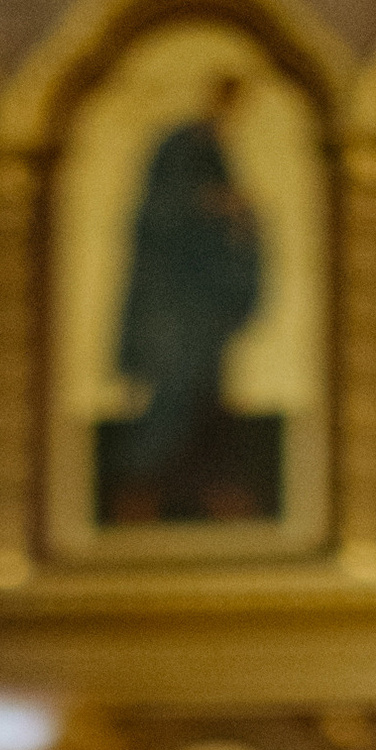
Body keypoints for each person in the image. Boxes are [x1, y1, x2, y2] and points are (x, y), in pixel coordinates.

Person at [110, 71, 264, 521]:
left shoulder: (215, 150)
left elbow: (231, 221)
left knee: (209, 399)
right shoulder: (180, 147)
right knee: (171, 397)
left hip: (207, 301)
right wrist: (215, 205)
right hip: (174, 301)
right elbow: (164, 213)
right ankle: (139, 491)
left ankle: (214, 491)